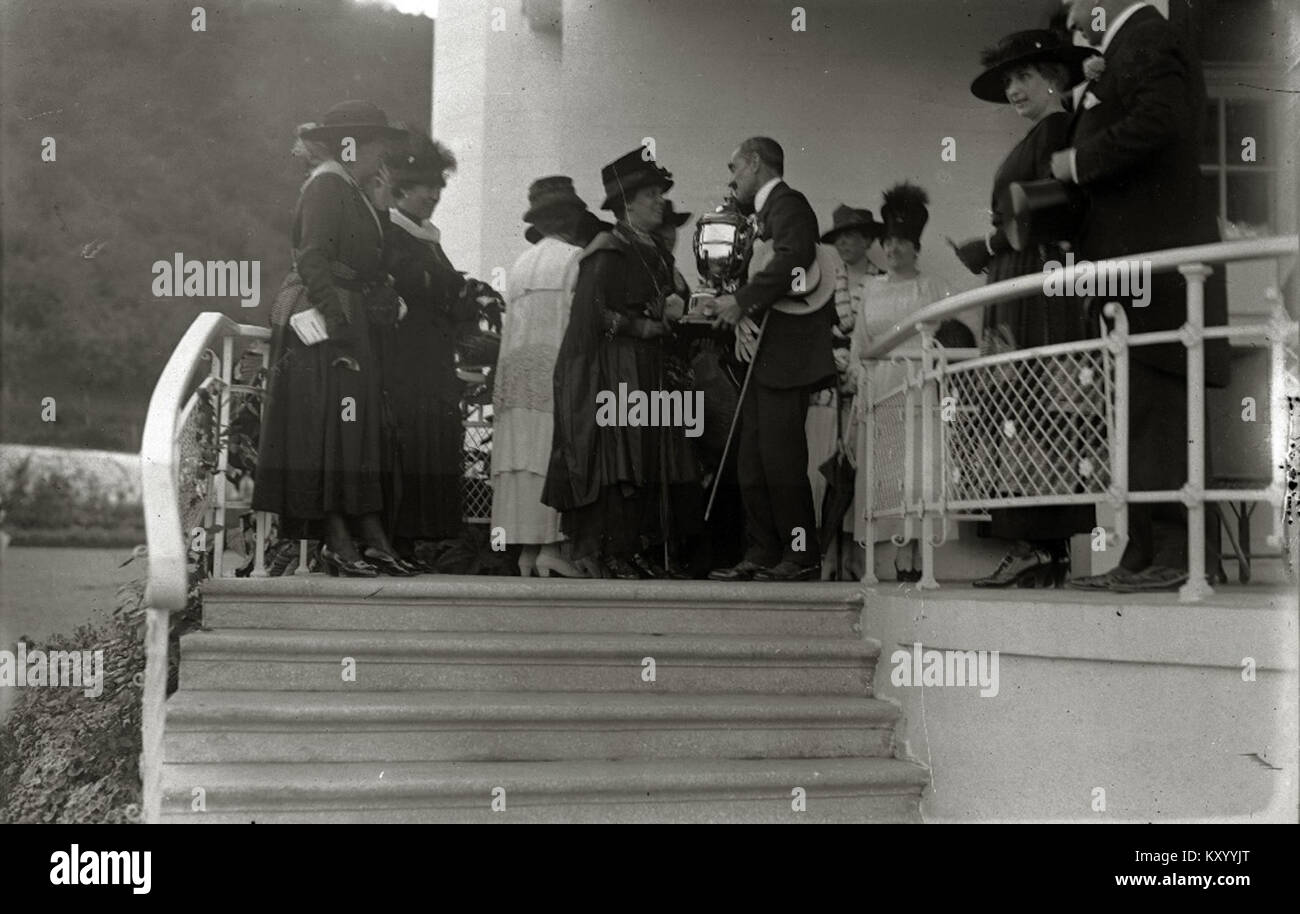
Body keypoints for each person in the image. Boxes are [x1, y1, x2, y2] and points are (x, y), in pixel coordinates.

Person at [1052, 0, 1229, 593]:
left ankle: (1178, 554)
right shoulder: (1135, 46)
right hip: (1135, 270)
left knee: (1161, 407)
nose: (1073, 12)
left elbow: (1163, 121)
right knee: (1140, 412)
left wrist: (1078, 161)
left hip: (1160, 266)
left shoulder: (1153, 37)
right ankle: (1147, 550)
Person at [952, 28, 1099, 588]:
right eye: (1009, 79)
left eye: (1023, 77)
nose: (1013, 88)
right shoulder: (1043, 132)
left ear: (1054, 80)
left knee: (1038, 397)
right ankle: (1038, 544)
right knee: (1019, 400)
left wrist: (988, 245)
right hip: (1021, 280)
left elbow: (1057, 203)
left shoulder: (1060, 129)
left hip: (1039, 283)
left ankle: (1040, 542)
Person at [254, 100, 410, 577]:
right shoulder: (326, 184)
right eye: (379, 148)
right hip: (327, 323)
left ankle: (369, 535)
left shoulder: (352, 190)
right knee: (331, 432)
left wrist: (381, 209)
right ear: (352, 146)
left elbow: (366, 261)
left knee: (352, 432)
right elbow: (312, 259)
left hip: (348, 316)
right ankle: (338, 540)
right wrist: (339, 331)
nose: (384, 158)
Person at [542, 146, 700, 579]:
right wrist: (640, 327)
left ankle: (639, 550)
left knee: (651, 458)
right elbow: (593, 316)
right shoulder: (607, 249)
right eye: (650, 195)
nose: (659, 202)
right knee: (622, 460)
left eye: (658, 194)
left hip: (651, 369)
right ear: (627, 203)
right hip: (616, 369)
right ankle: (612, 550)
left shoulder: (656, 252)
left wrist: (674, 307)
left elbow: (673, 298)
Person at [706, 137, 835, 582]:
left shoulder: (788, 203)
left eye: (735, 167)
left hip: (786, 357)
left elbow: (795, 257)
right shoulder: (763, 215)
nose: (731, 177)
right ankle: (763, 551)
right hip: (765, 356)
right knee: (754, 459)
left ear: (756, 163)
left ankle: (801, 555)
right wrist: (743, 307)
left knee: (780, 458)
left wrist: (742, 302)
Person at [847, 182, 965, 581]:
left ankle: (916, 554)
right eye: (889, 242)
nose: (893, 249)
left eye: (901, 242)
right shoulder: (872, 290)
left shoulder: (930, 287)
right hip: (881, 388)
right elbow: (860, 344)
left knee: (918, 467)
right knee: (883, 470)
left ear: (915, 247)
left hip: (918, 387)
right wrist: (859, 386)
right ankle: (885, 557)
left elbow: (945, 338)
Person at [375, 132, 482, 573]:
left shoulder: (427, 238)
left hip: (431, 362)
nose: (435, 195)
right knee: (404, 446)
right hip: (403, 362)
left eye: (439, 187)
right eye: (427, 186)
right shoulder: (389, 232)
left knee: (425, 447)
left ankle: (408, 544)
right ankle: (393, 542)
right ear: (402, 187)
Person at [492, 176, 590, 577]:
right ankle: (552, 546)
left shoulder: (520, 264)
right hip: (553, 370)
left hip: (518, 375)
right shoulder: (574, 259)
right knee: (549, 455)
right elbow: (576, 323)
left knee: (523, 458)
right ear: (570, 218)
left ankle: (528, 551)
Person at [817, 205, 884, 579]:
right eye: (839, 237)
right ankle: (828, 556)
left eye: (853, 236)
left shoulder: (881, 281)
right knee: (831, 468)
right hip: (830, 384)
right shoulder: (827, 282)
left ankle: (857, 559)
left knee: (862, 471)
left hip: (867, 381)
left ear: (868, 240)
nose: (845, 243)